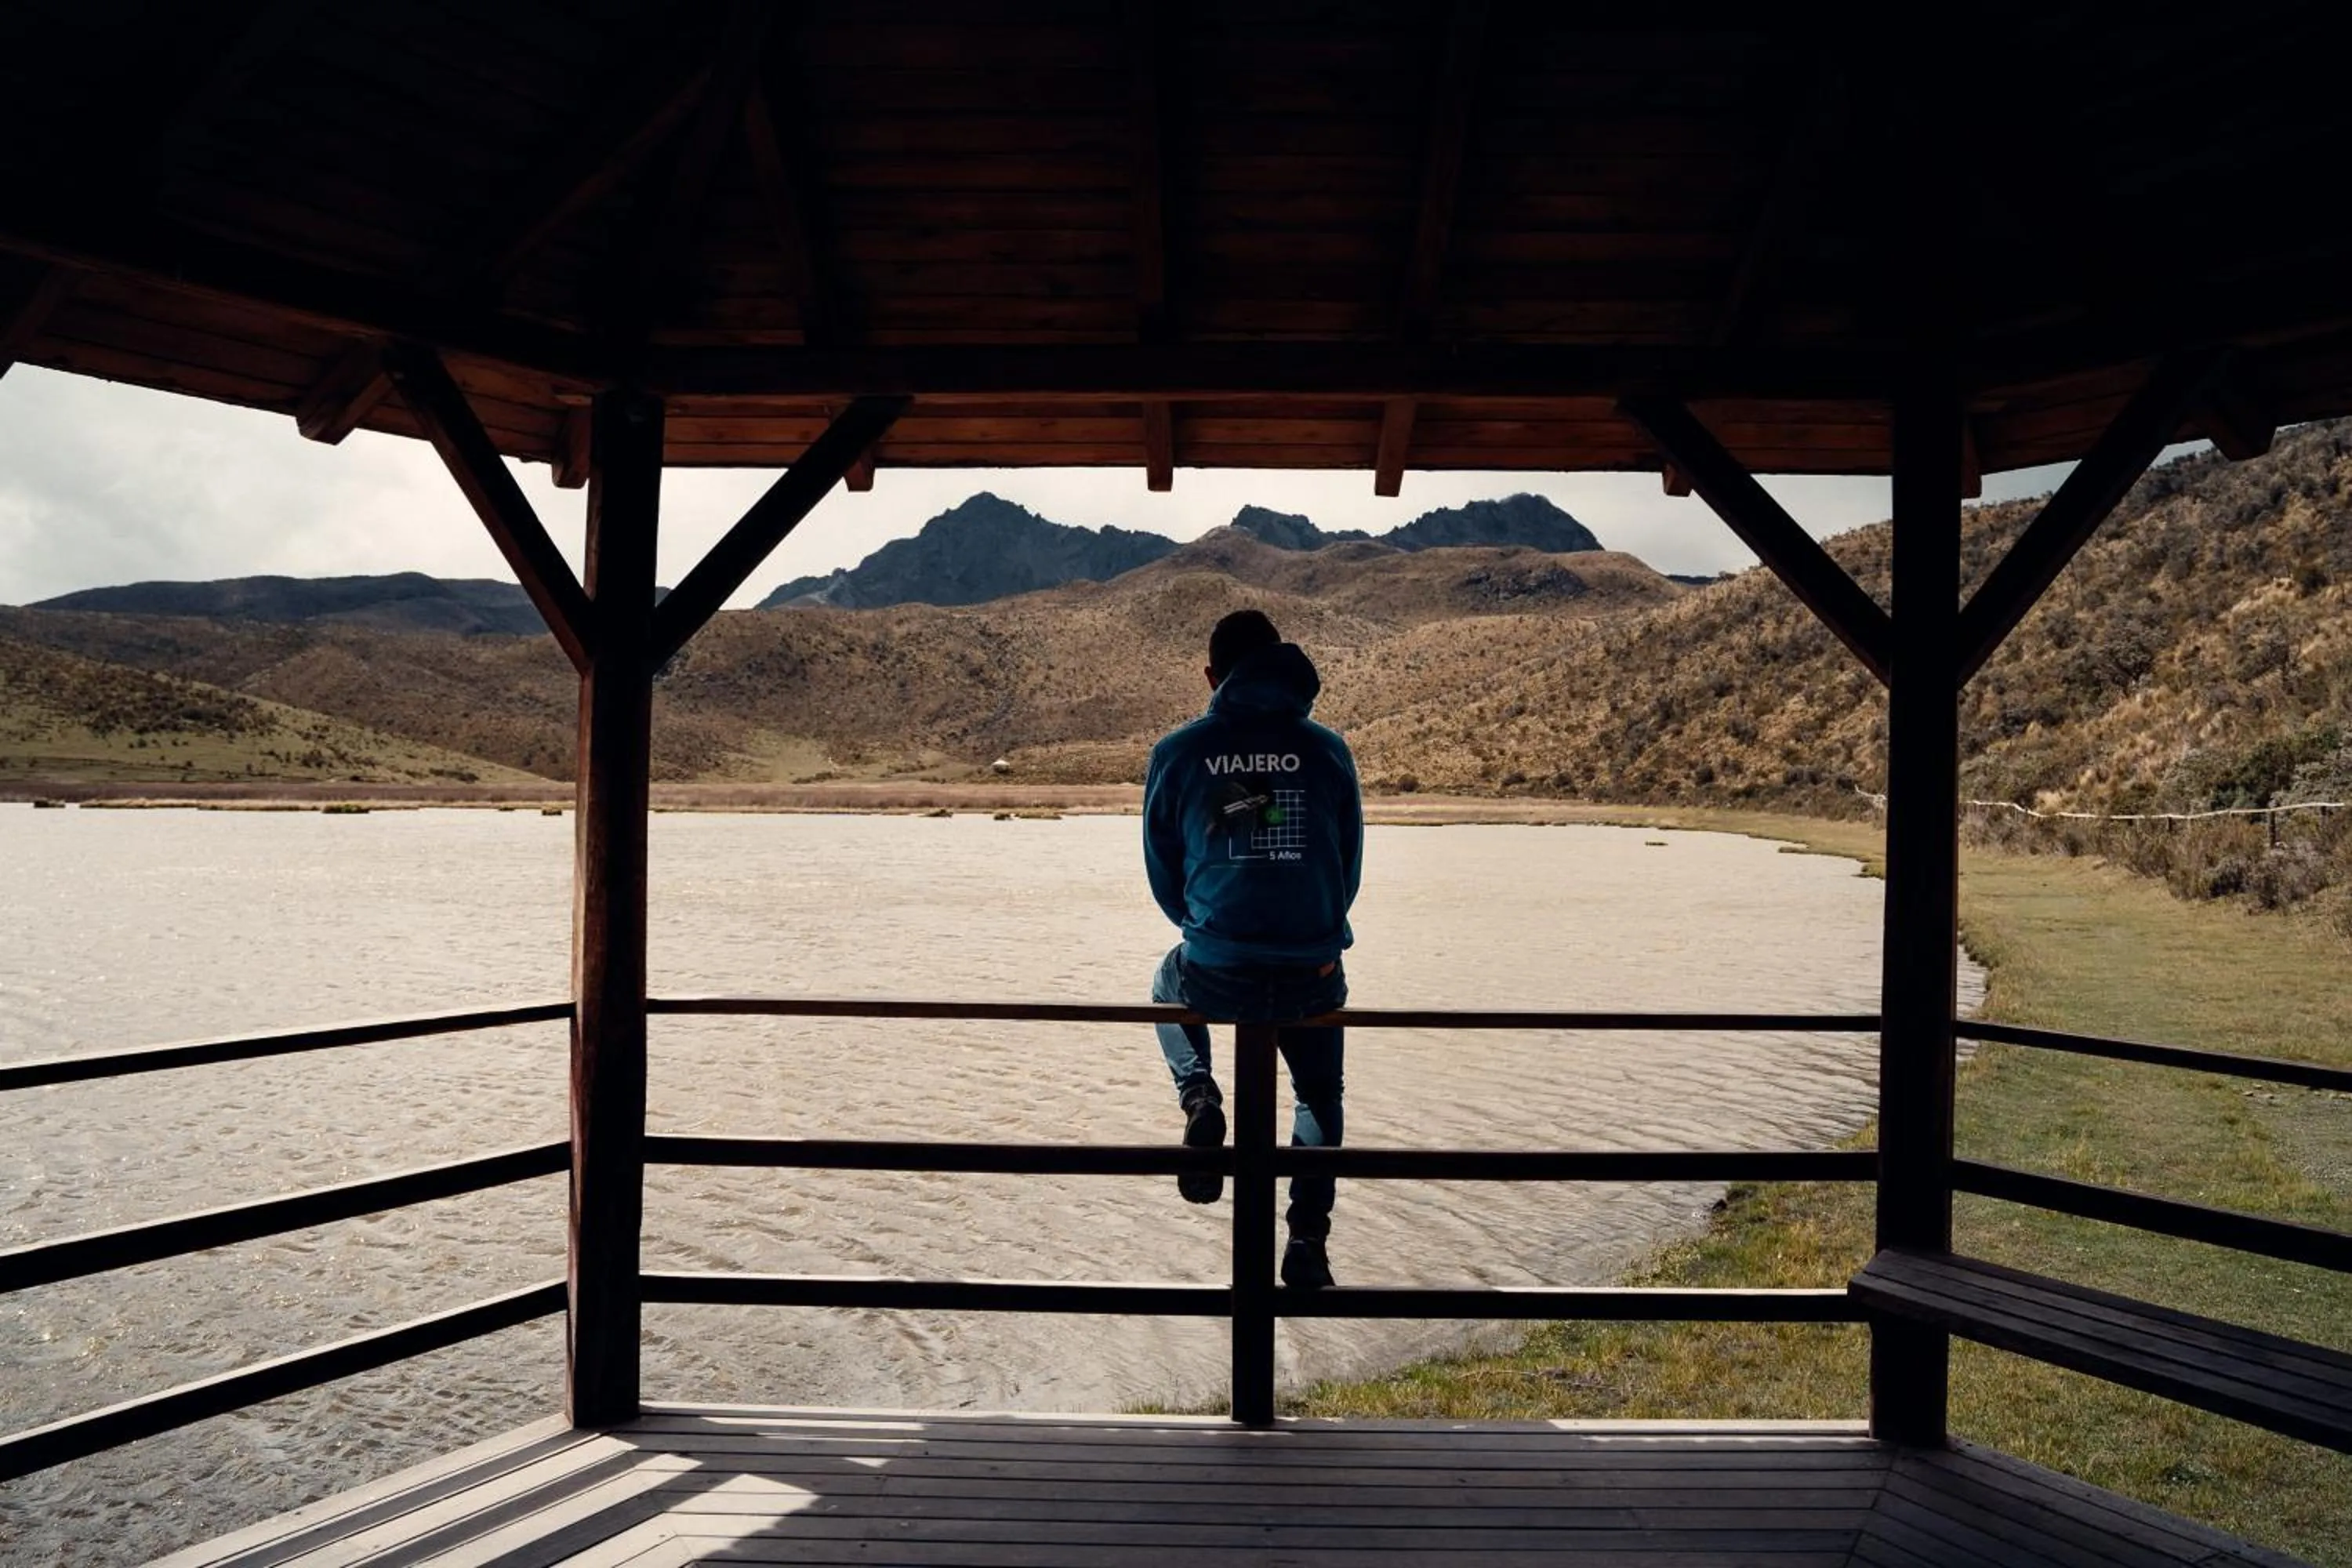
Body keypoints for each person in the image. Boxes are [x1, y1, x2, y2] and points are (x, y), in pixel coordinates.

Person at [1142, 608, 1363, 1290]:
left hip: (1217, 974)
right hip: (1311, 974)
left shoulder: (1180, 752)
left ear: (1212, 676)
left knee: (1165, 979)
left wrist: (1212, 928)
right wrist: (1311, 932)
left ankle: (1201, 1097)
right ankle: (1306, 1242)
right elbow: (1347, 870)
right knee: (1319, 1092)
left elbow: (1164, 872)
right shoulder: (1328, 750)